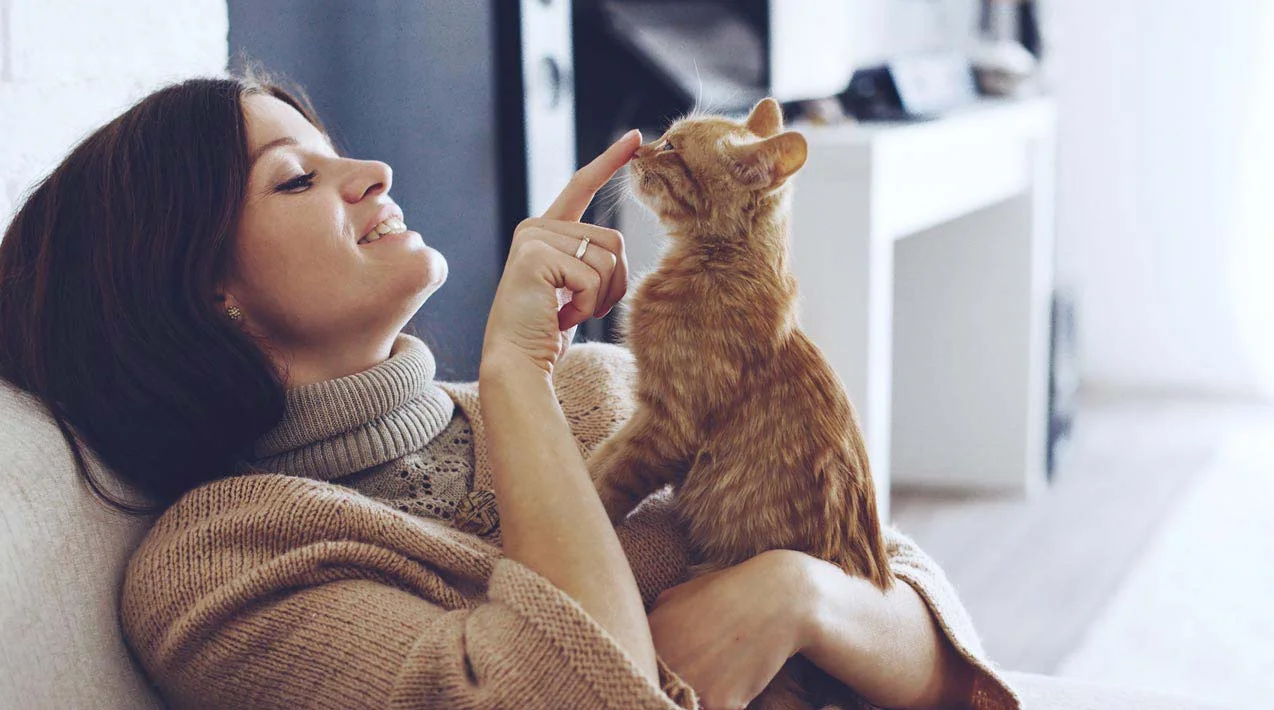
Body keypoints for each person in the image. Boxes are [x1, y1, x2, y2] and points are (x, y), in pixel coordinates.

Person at [0, 74, 1019, 709]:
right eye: (295, 179)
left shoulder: (600, 385)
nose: (373, 170)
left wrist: (791, 595)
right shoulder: (223, 564)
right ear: (205, 292)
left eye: (336, 151)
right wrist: (513, 379)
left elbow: (937, 658)